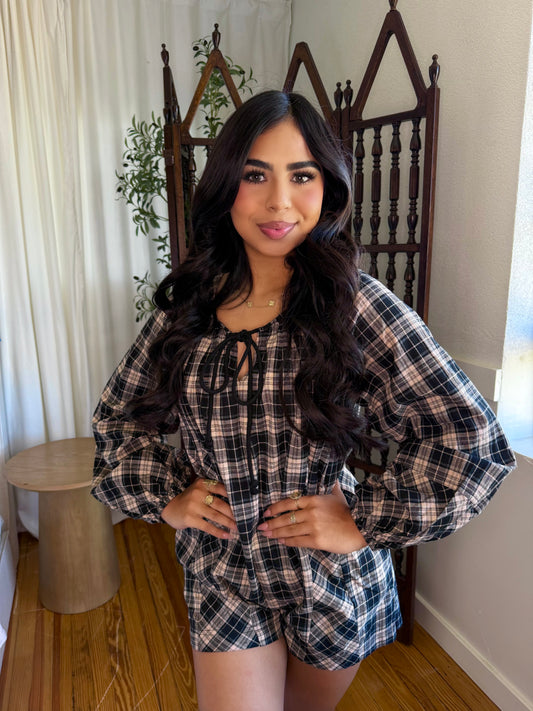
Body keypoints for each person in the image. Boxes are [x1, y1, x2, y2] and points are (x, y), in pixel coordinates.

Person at [92, 90, 516, 711]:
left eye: (302, 175)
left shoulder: (356, 306)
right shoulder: (187, 311)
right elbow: (118, 423)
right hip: (224, 571)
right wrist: (169, 498)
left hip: (327, 578)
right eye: (254, 175)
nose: (278, 202)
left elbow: (470, 442)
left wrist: (363, 519)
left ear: (328, 188)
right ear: (224, 185)